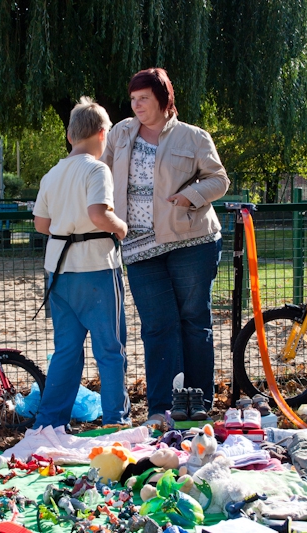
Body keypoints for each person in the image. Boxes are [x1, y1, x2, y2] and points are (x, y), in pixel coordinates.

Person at [101, 67, 230, 428]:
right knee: (157, 326)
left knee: (193, 321)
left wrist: (190, 197)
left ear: (163, 99)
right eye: (133, 99)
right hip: (139, 247)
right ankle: (161, 408)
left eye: (144, 98)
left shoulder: (193, 137)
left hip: (192, 241)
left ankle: (198, 402)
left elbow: (219, 179)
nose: (137, 105)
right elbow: (102, 174)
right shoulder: (121, 133)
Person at [32, 96, 131, 429]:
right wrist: (121, 227)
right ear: (103, 134)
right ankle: (115, 419)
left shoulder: (52, 174)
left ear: (70, 136)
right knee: (109, 349)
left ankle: (50, 422)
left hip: (58, 272)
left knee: (66, 351)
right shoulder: (96, 169)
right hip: (96, 268)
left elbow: (41, 225)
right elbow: (97, 214)